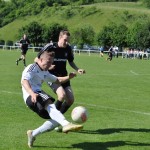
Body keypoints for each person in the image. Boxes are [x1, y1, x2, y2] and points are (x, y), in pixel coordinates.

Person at [21, 48, 83, 148]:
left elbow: (57, 80)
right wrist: (32, 93)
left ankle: (33, 134)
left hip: (36, 96)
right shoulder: (32, 67)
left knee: (54, 120)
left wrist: (69, 77)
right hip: (32, 95)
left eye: (51, 63)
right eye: (48, 62)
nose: (50, 65)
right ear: (40, 60)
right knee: (49, 103)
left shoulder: (45, 72)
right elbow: (24, 81)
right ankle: (66, 124)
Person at [47, 30, 85, 115]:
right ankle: (53, 118)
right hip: (51, 76)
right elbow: (37, 59)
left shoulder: (68, 48)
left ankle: (57, 119)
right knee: (62, 95)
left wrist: (77, 69)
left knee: (70, 100)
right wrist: (48, 66)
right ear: (60, 38)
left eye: (68, 40)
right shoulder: (51, 47)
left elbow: (71, 61)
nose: (66, 42)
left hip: (64, 76)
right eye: (65, 40)